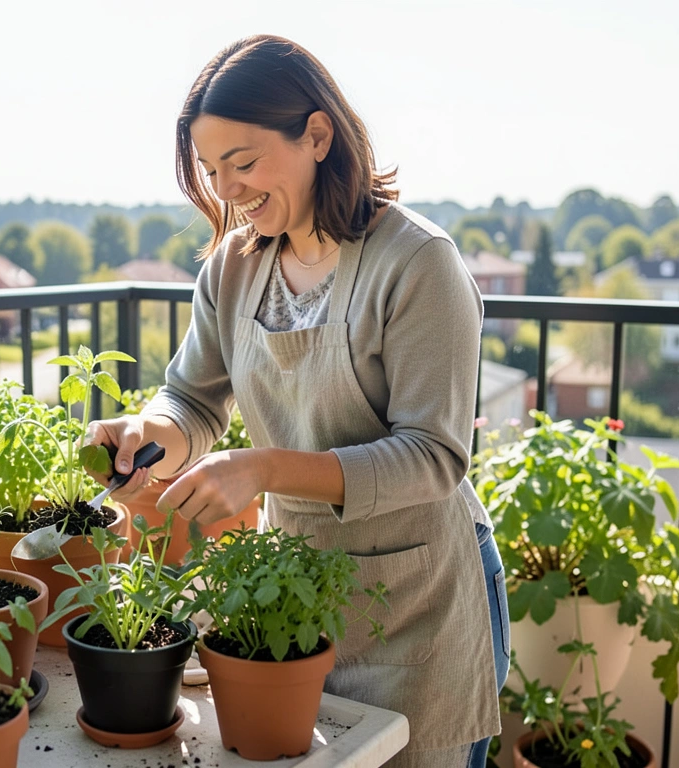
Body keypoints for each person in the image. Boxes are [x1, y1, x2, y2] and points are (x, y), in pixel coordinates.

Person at [86, 35, 509, 767]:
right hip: (296, 597)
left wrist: (264, 469)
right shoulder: (233, 268)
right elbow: (193, 397)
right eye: (211, 170)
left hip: (420, 604)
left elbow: (434, 456)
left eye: (243, 163)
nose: (227, 191)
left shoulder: (416, 264)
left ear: (317, 134)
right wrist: (148, 433)